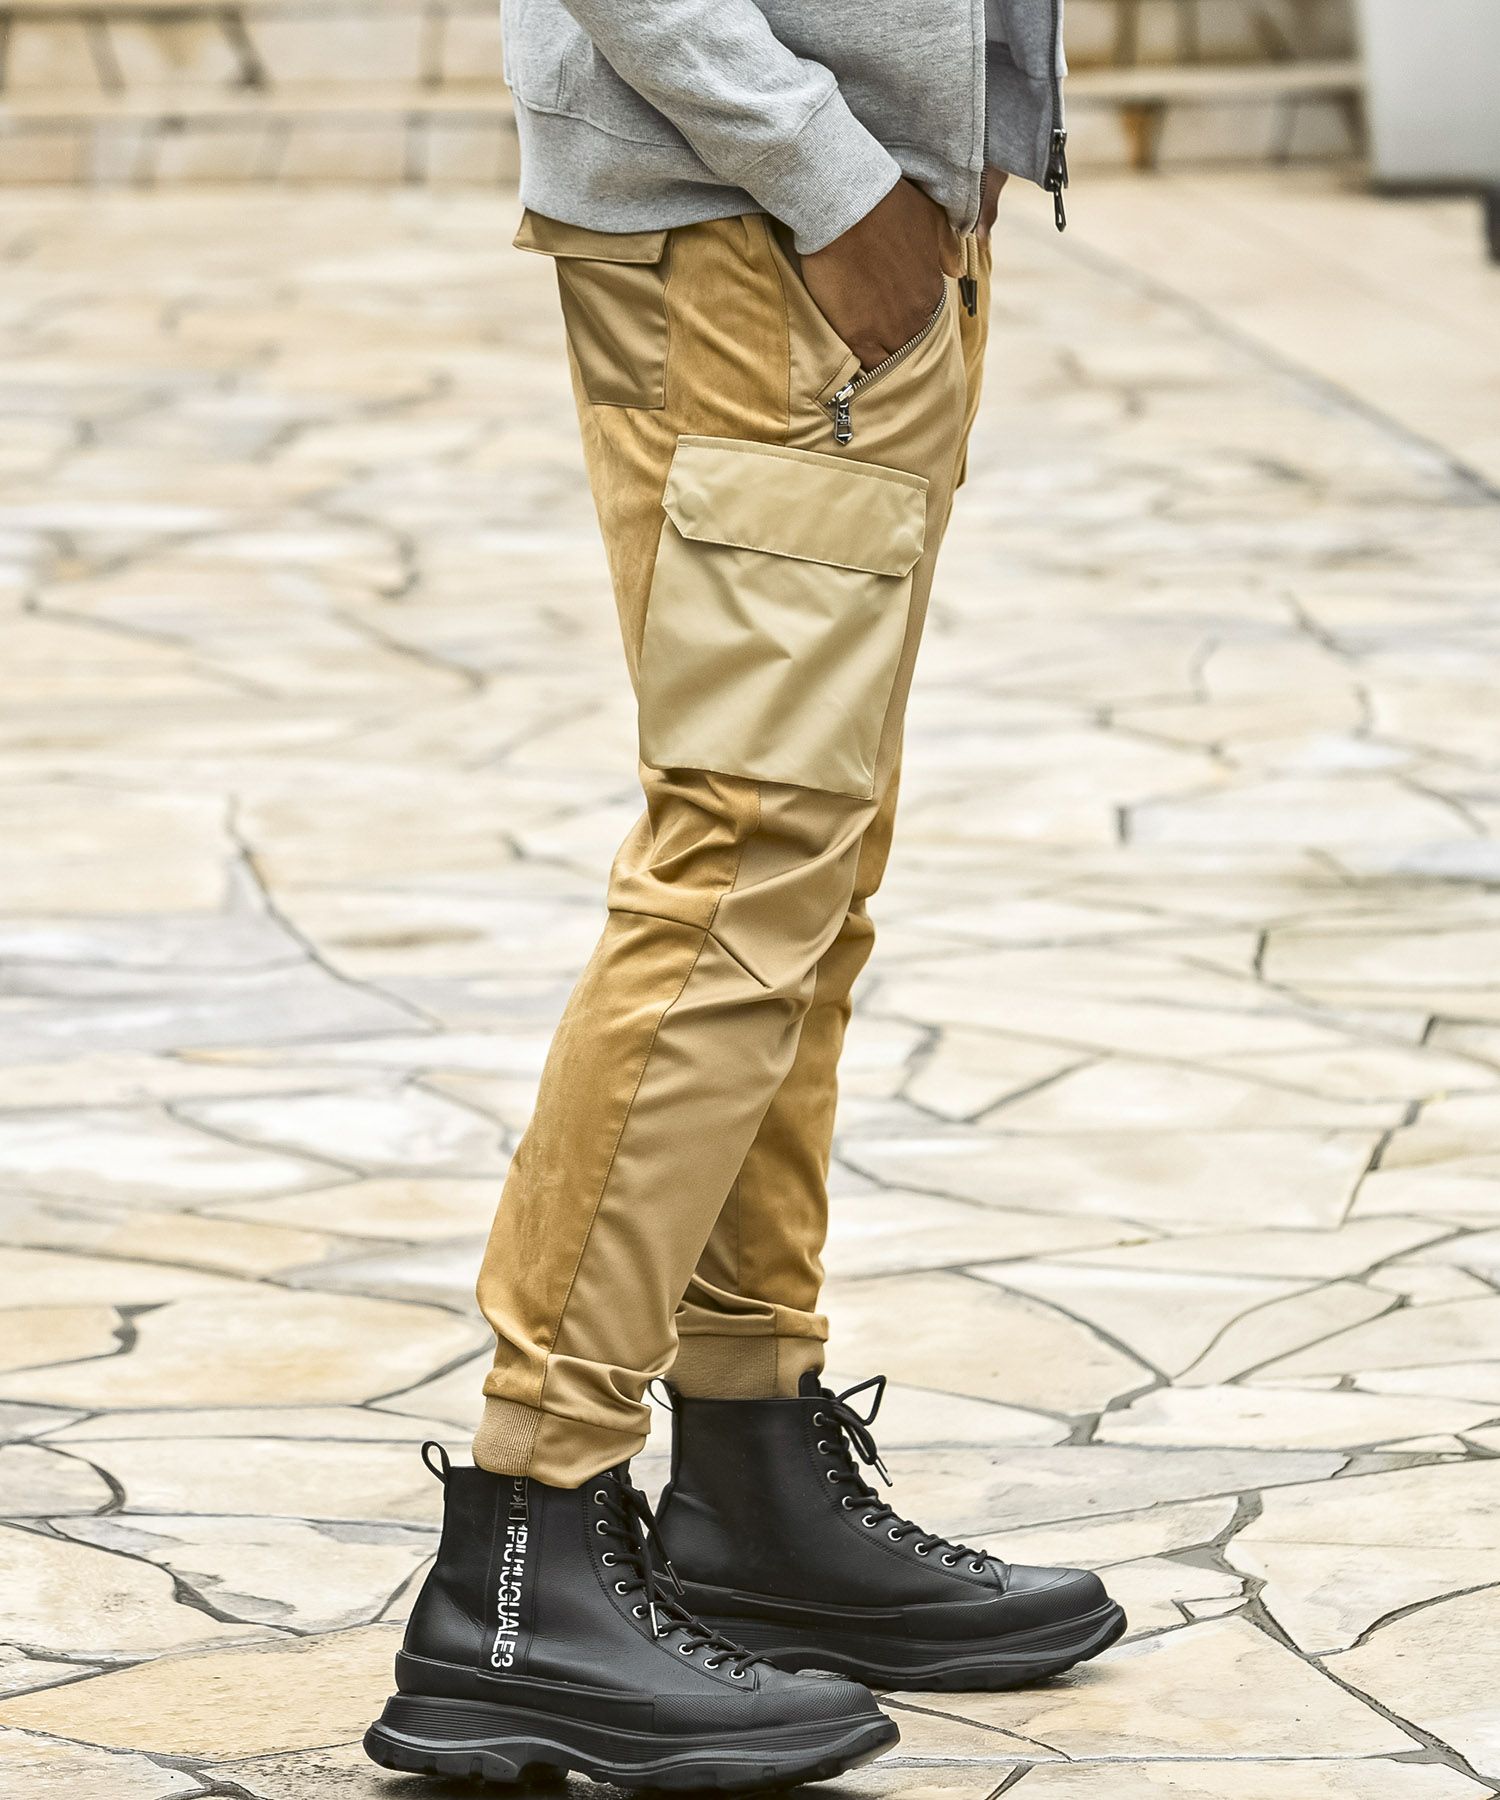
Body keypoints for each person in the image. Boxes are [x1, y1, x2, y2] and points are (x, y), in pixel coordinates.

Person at [365, 1, 1123, 1789]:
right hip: (772, 227)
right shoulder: (807, 189)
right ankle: (524, 1554)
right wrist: (828, 173)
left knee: (808, 876)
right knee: (740, 870)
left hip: (854, 217)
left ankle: (750, 1463)